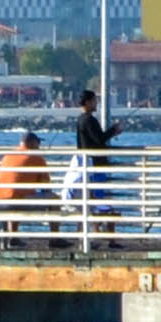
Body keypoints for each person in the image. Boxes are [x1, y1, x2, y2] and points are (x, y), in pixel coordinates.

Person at [68, 85, 120, 239]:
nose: (96, 104)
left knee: (91, 199)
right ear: (89, 102)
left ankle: (89, 233)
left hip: (86, 162)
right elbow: (99, 139)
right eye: (94, 101)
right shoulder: (89, 120)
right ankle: (100, 233)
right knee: (98, 198)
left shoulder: (80, 120)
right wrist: (114, 130)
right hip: (95, 164)